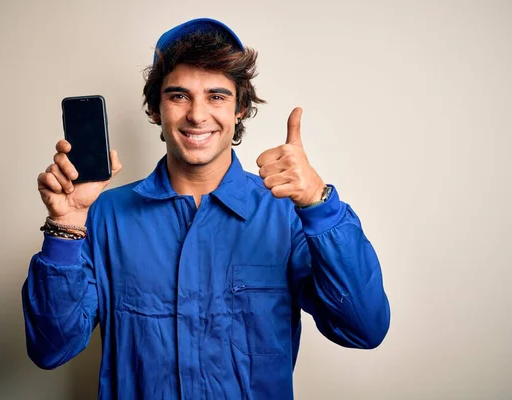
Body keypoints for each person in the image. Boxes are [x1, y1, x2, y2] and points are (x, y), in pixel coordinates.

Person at [23, 17, 390, 400]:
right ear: (154, 109)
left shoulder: (287, 215)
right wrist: (64, 226)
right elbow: (51, 349)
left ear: (240, 109)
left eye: (217, 96)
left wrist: (320, 204)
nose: (197, 115)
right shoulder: (103, 215)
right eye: (179, 95)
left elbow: (364, 329)